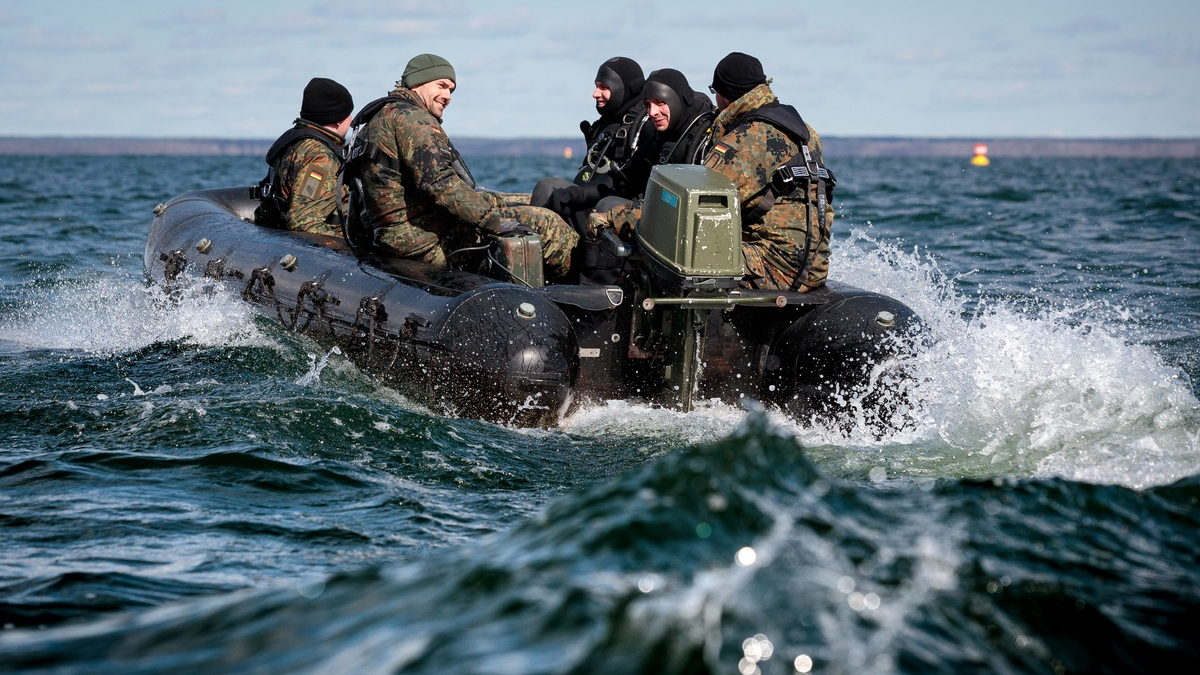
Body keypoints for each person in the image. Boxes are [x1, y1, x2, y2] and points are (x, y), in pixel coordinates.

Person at [344, 54, 577, 278]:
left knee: (509, 200)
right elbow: (440, 183)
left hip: (392, 239)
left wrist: (362, 245)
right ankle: (577, 305)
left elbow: (359, 192)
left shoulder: (376, 120)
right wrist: (494, 223)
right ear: (418, 83)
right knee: (548, 222)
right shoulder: (414, 119)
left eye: (451, 90)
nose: (448, 96)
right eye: (441, 85)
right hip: (424, 243)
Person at [703, 52, 835, 292]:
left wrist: (616, 217)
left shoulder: (745, 140)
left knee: (680, 249)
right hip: (815, 267)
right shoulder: (806, 131)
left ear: (724, 96)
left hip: (774, 267)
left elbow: (696, 202)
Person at [530, 56, 656, 229]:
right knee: (546, 187)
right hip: (587, 196)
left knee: (602, 205)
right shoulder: (606, 123)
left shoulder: (645, 127)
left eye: (603, 87)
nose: (595, 93)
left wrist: (580, 195)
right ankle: (536, 248)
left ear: (626, 89)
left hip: (616, 207)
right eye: (596, 86)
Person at [255, 77, 354, 235]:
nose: (352, 120)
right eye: (349, 114)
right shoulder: (321, 159)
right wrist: (351, 243)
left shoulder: (294, 142)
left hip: (276, 231)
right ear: (337, 120)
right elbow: (303, 222)